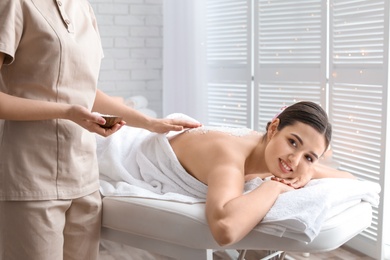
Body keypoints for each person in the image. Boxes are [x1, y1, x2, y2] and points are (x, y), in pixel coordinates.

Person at [0, 1, 200, 260]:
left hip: (84, 178)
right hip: (30, 176)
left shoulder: (83, 7)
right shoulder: (14, 4)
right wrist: (67, 111)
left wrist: (150, 123)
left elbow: (84, 90)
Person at [167, 101, 356, 246]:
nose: (295, 160)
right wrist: (274, 187)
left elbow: (350, 178)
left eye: (309, 157)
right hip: (143, 155)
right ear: (273, 129)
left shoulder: (272, 152)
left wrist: (309, 171)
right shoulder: (230, 156)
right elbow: (224, 229)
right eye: (293, 142)